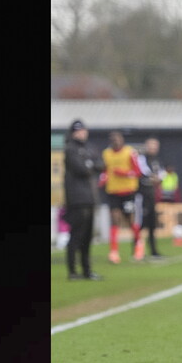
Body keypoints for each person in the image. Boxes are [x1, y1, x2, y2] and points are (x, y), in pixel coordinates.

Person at [63, 119, 105, 280]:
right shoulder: (71, 149)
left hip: (90, 197)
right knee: (76, 235)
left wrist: (91, 165)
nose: (82, 133)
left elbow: (100, 164)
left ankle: (87, 270)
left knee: (87, 236)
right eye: (78, 131)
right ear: (73, 133)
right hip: (77, 199)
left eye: (83, 130)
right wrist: (91, 165)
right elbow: (81, 169)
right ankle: (73, 271)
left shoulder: (89, 147)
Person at [101, 130, 144, 263]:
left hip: (127, 191)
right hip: (113, 191)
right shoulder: (106, 154)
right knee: (115, 219)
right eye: (113, 139)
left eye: (118, 139)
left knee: (130, 220)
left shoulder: (130, 152)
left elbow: (138, 172)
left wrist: (124, 173)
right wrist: (103, 178)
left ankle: (138, 245)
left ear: (122, 140)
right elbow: (105, 170)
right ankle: (114, 251)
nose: (116, 141)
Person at [136, 136, 164, 259]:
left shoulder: (157, 160)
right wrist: (154, 177)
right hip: (141, 195)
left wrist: (158, 178)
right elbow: (144, 171)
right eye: (151, 146)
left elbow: (161, 174)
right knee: (140, 223)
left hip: (152, 195)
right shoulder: (141, 158)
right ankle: (137, 250)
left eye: (155, 146)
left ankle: (153, 250)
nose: (153, 148)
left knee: (152, 223)